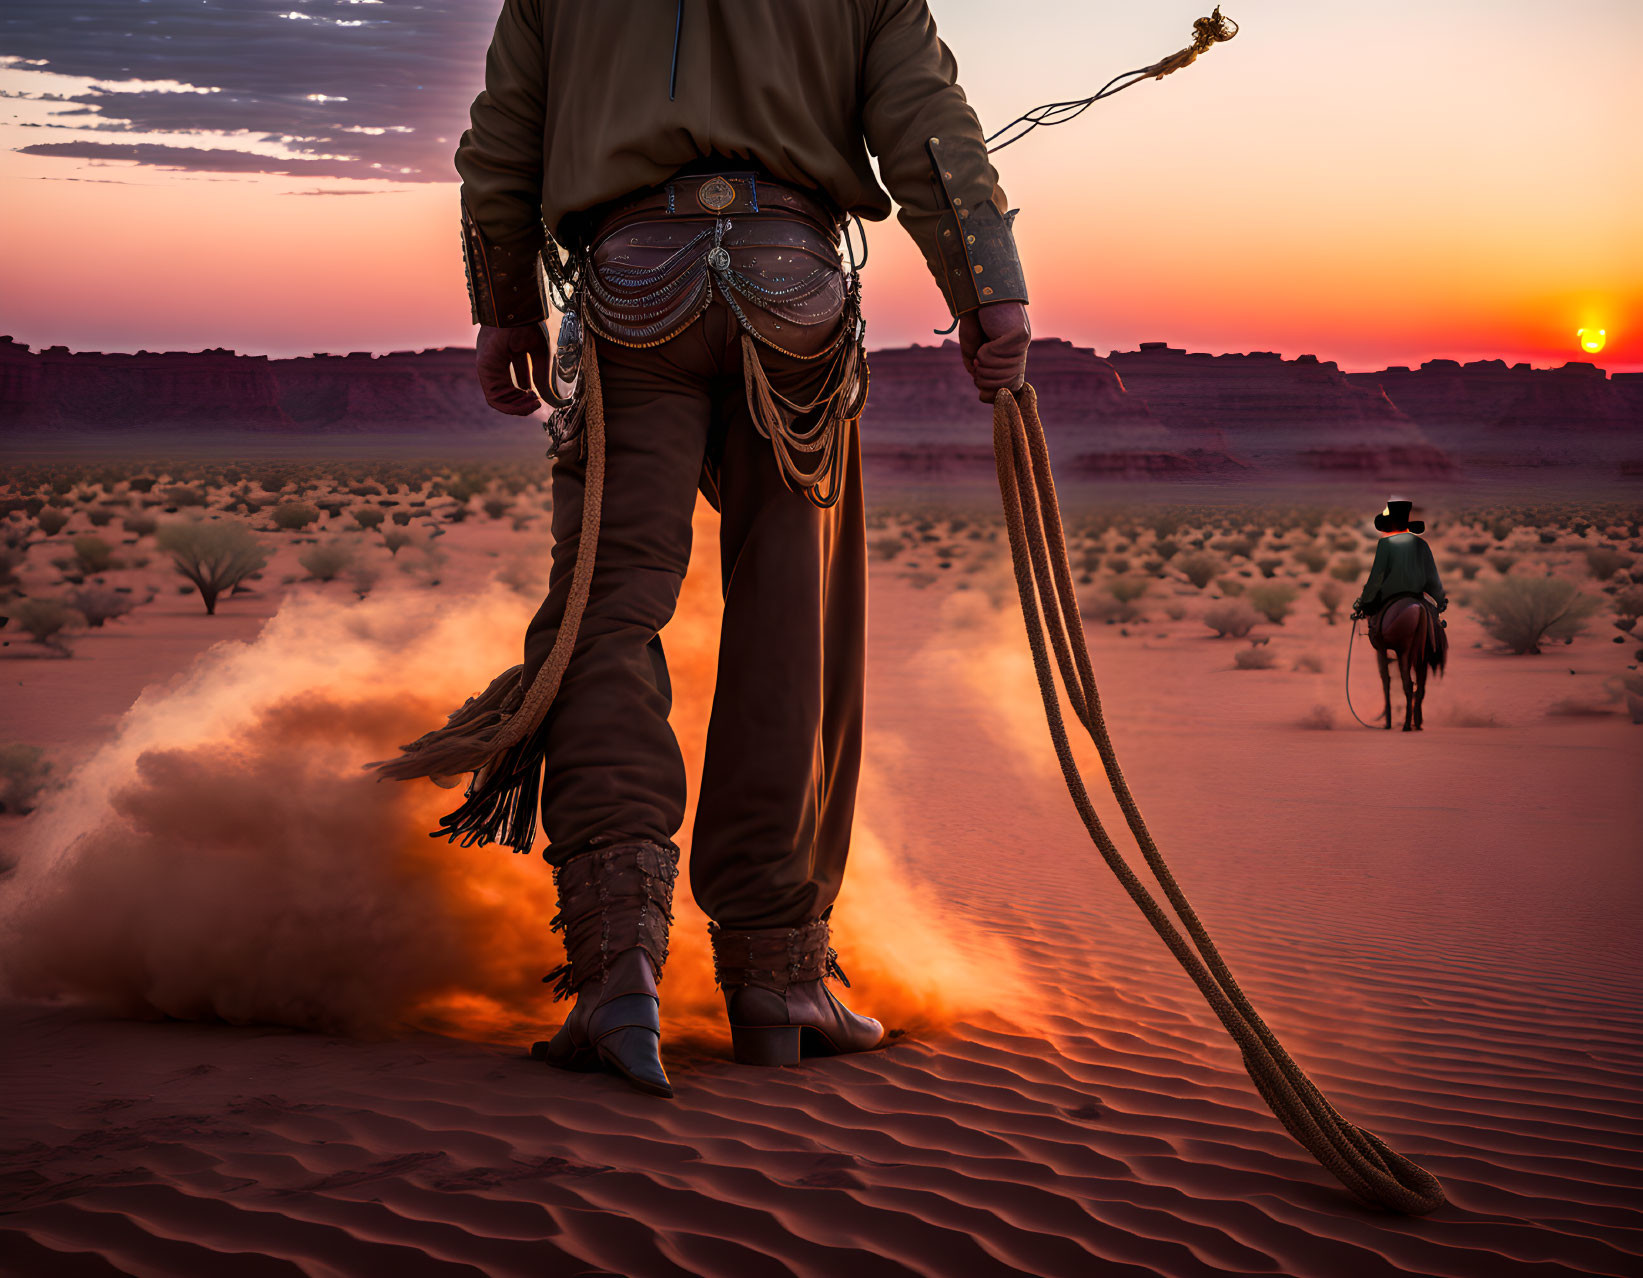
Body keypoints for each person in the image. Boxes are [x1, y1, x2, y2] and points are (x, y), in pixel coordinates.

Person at [377, 0, 1032, 1098]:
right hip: (794, 289)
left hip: (628, 288)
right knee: (790, 618)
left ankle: (616, 970)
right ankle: (776, 974)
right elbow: (928, 124)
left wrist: (506, 309)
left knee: (606, 608)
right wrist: (988, 288)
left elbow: (499, 142)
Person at [1351, 496, 1447, 638]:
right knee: (1435, 625)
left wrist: (1364, 602)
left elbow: (1377, 576)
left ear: (1389, 525)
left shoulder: (1385, 544)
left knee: (1375, 627)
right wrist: (1439, 600)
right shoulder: (1422, 544)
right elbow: (1433, 576)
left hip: (1390, 594)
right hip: (1416, 594)